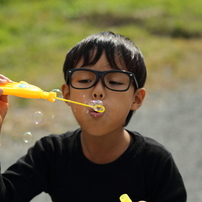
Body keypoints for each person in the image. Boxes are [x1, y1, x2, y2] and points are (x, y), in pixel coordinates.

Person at [0, 31, 186, 202]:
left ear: (136, 99)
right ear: (67, 95)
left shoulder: (155, 163)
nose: (97, 91)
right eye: (85, 81)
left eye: (114, 81)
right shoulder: (51, 154)